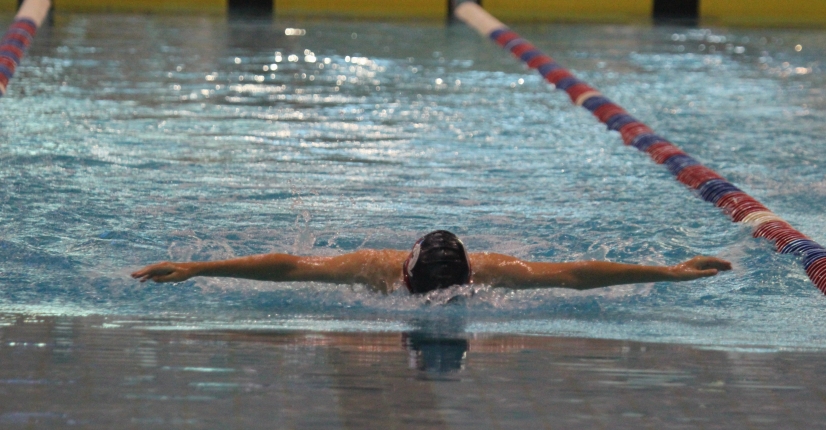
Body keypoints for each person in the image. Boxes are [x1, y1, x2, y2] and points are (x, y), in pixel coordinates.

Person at [132, 230, 732, 294]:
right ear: (403, 275)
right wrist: (197, 269)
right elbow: (289, 267)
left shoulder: (498, 272)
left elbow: (578, 274)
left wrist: (675, 274)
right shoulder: (367, 266)